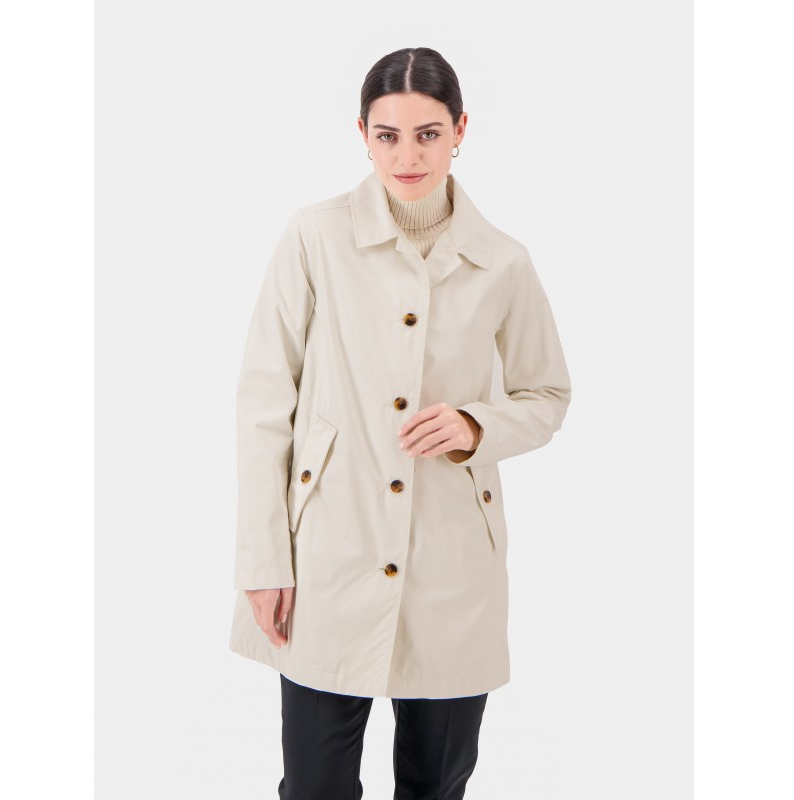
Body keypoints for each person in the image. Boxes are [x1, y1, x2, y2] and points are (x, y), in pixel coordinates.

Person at [229, 46, 572, 799]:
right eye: (387, 135)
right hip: (329, 552)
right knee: (313, 786)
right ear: (363, 134)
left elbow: (547, 394)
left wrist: (477, 427)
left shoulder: (503, 262)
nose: (407, 155)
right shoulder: (315, 237)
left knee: (436, 785)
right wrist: (263, 558)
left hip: (453, 562)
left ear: (460, 131)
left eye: (428, 133)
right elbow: (264, 402)